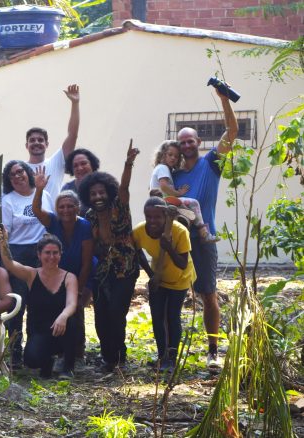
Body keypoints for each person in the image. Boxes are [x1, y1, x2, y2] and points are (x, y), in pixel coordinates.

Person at [173, 89, 237, 370]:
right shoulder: (172, 174)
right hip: (176, 239)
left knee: (208, 293)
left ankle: (213, 349)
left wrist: (223, 100)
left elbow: (232, 130)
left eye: (190, 140)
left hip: (204, 237)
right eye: (182, 142)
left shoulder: (211, 162)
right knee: (170, 294)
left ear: (198, 142)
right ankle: (169, 351)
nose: (186, 145)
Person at [79, 142, 140, 373]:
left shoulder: (119, 205)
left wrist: (128, 163)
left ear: (108, 191)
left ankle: (119, 356)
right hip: (103, 269)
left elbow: (125, 186)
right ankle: (107, 358)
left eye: (101, 192)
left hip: (126, 266)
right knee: (101, 314)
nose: (97, 196)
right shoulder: (90, 216)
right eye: (93, 193)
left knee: (117, 311)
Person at [0, 230, 79, 379]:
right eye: (47, 253)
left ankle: (67, 366)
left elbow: (72, 303)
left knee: (72, 321)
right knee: (31, 361)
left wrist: (63, 316)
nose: (51, 257)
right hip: (39, 330)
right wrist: (3, 243)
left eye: (55, 253)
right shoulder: (31, 274)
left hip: (63, 329)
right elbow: (9, 263)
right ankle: (48, 362)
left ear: (61, 254)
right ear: (39, 255)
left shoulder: (69, 277)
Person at [31, 169, 93, 359]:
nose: (66, 210)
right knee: (57, 308)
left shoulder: (85, 226)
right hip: (57, 273)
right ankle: (54, 349)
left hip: (82, 273)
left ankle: (77, 351)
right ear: (57, 209)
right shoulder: (53, 221)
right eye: (62, 206)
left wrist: (80, 288)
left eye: (70, 206)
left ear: (77, 207)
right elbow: (36, 210)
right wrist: (39, 189)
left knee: (77, 309)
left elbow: (86, 262)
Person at [1, 159, 53, 365]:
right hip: (18, 253)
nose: (17, 176)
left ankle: (36, 349)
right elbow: (5, 233)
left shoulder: (44, 195)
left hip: (42, 253)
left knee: (39, 303)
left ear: (27, 172)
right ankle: (14, 349)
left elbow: (50, 223)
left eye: (19, 171)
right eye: (11, 175)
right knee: (17, 302)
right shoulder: (8, 200)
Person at [133, 198, 195, 371]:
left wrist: (169, 247)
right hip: (158, 276)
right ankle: (162, 357)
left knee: (172, 316)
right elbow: (137, 252)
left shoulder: (179, 231)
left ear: (165, 217)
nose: (152, 221)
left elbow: (182, 263)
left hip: (179, 277)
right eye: (149, 217)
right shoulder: (139, 231)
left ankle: (172, 359)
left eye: (157, 217)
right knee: (157, 316)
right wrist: (152, 275)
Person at [149, 140, 217, 242]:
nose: (173, 158)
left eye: (176, 156)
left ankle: (191, 230)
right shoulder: (163, 168)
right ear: (163, 155)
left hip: (161, 202)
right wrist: (178, 193)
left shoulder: (161, 169)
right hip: (165, 201)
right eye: (170, 155)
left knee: (186, 213)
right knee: (193, 203)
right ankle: (203, 231)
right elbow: (164, 186)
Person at [25, 84, 81, 198]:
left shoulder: (55, 162)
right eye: (32, 140)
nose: (36, 142)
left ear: (47, 144)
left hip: (54, 215)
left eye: (40, 140)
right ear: (27, 145)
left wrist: (75, 104)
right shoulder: (20, 169)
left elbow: (73, 135)